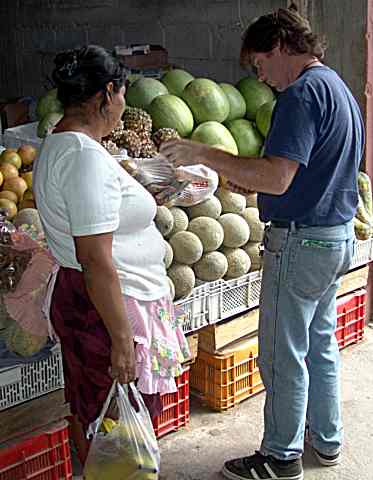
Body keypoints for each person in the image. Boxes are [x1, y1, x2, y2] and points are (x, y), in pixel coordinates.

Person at [161, 7, 365, 480]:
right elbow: (303, 172)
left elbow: (276, 176)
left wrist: (205, 153)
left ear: (278, 47)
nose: (262, 77)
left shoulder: (300, 95)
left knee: (281, 353)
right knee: (319, 345)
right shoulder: (336, 87)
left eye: (258, 66)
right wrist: (246, 179)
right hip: (333, 238)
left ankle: (280, 456)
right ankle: (327, 441)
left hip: (301, 243)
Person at [33, 45, 190, 466]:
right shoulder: (85, 159)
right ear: (107, 93)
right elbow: (96, 259)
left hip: (102, 303)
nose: (124, 106)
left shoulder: (66, 144)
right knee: (117, 428)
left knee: (104, 423)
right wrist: (122, 342)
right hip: (109, 309)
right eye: (122, 95)